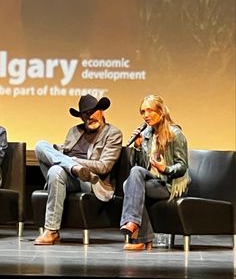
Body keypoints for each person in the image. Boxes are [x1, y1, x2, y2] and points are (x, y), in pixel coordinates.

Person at [34, 94, 123, 245]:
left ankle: (51, 231)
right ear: (81, 116)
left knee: (56, 171)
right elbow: (65, 151)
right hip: (70, 174)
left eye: (93, 112)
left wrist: (75, 161)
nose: (89, 117)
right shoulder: (74, 131)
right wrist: (60, 155)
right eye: (85, 114)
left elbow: (104, 166)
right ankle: (73, 168)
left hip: (91, 180)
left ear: (102, 111)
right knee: (40, 145)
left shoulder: (113, 133)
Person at [120, 94, 190, 250]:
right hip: (152, 180)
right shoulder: (147, 135)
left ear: (161, 111)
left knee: (128, 186)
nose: (145, 116)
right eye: (143, 112)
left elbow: (183, 166)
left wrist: (164, 169)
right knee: (132, 179)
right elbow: (139, 168)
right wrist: (137, 147)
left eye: (149, 110)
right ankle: (137, 231)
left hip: (169, 183)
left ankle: (138, 235)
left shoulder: (175, 134)